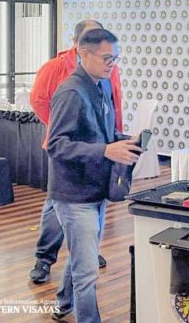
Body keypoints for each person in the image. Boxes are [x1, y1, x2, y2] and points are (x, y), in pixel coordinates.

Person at [47, 28, 140, 322]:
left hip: (94, 190)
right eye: (106, 58)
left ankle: (63, 303)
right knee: (87, 271)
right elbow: (56, 145)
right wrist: (105, 151)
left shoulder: (100, 85)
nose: (112, 64)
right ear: (83, 54)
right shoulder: (71, 92)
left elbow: (101, 132)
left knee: (82, 257)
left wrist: (123, 140)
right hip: (74, 196)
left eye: (115, 58)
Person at [28, 19, 123, 284]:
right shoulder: (57, 68)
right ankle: (44, 259)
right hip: (67, 151)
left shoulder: (107, 68)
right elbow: (38, 100)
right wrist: (61, 125)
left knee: (91, 210)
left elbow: (114, 101)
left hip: (98, 151)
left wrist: (114, 136)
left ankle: (86, 254)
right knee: (55, 208)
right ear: (79, 45)